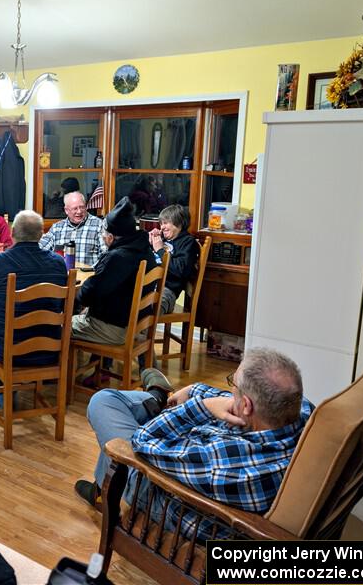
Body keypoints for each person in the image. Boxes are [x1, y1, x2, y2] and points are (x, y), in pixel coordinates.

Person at [75, 348, 314, 539]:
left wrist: (202, 406)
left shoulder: (221, 466)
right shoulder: (301, 411)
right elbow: (240, 402)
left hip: (170, 497)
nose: (230, 391)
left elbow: (142, 442)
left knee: (104, 402)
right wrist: (196, 390)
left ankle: (104, 491)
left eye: (233, 385)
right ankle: (159, 400)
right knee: (140, 408)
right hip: (197, 458)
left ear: (247, 406)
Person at [0, 210, 68, 370]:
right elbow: (60, 306)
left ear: (12, 233)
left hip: (6, 349)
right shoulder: (59, 263)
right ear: (41, 234)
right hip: (49, 348)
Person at [71, 196, 156, 353]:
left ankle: (58, 375)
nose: (103, 235)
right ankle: (100, 371)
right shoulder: (145, 250)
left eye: (104, 232)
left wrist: (76, 297)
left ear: (111, 237)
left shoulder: (118, 257)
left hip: (114, 328)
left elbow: (89, 294)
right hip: (135, 323)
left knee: (57, 327)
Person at [148, 204, 200, 314]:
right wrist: (147, 244)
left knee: (147, 310)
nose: (162, 227)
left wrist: (160, 251)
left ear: (179, 223)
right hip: (146, 285)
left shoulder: (188, 242)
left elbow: (180, 270)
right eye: (161, 223)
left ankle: (142, 331)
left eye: (166, 223)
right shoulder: (160, 239)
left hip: (166, 291)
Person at [38, 191, 105, 266]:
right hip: (61, 275)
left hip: (89, 275)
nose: (79, 211)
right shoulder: (56, 228)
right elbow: (40, 250)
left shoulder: (99, 225)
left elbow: (106, 255)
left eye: (82, 207)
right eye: (75, 208)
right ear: (66, 210)